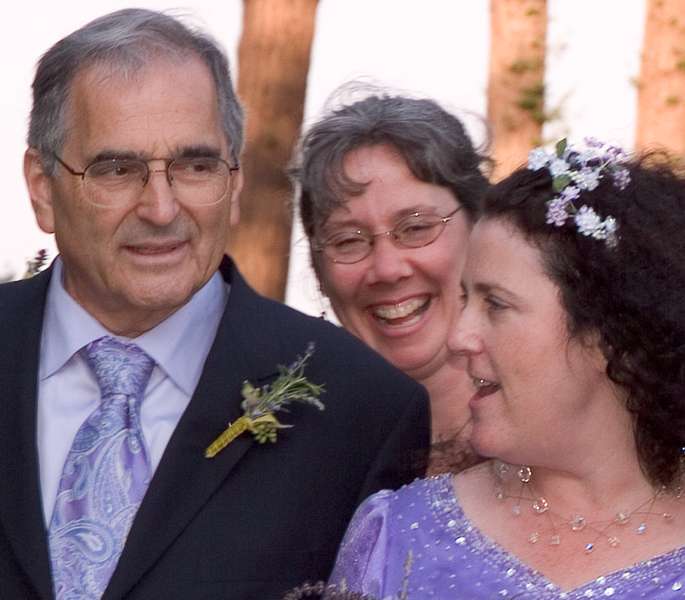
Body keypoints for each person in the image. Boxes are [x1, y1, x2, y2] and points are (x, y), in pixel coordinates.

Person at [0, 9, 430, 600]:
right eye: (117, 169)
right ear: (42, 187)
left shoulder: (363, 413)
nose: (161, 208)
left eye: (195, 166)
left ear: (234, 183)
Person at [328, 138, 685, 598]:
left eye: (495, 304)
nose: (459, 337)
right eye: (465, 300)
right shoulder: (396, 535)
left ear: (609, 332)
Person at [292, 92, 490, 469]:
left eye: (415, 228)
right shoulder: (287, 450)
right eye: (348, 241)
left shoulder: (572, 426)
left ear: (479, 230)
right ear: (319, 271)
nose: (387, 269)